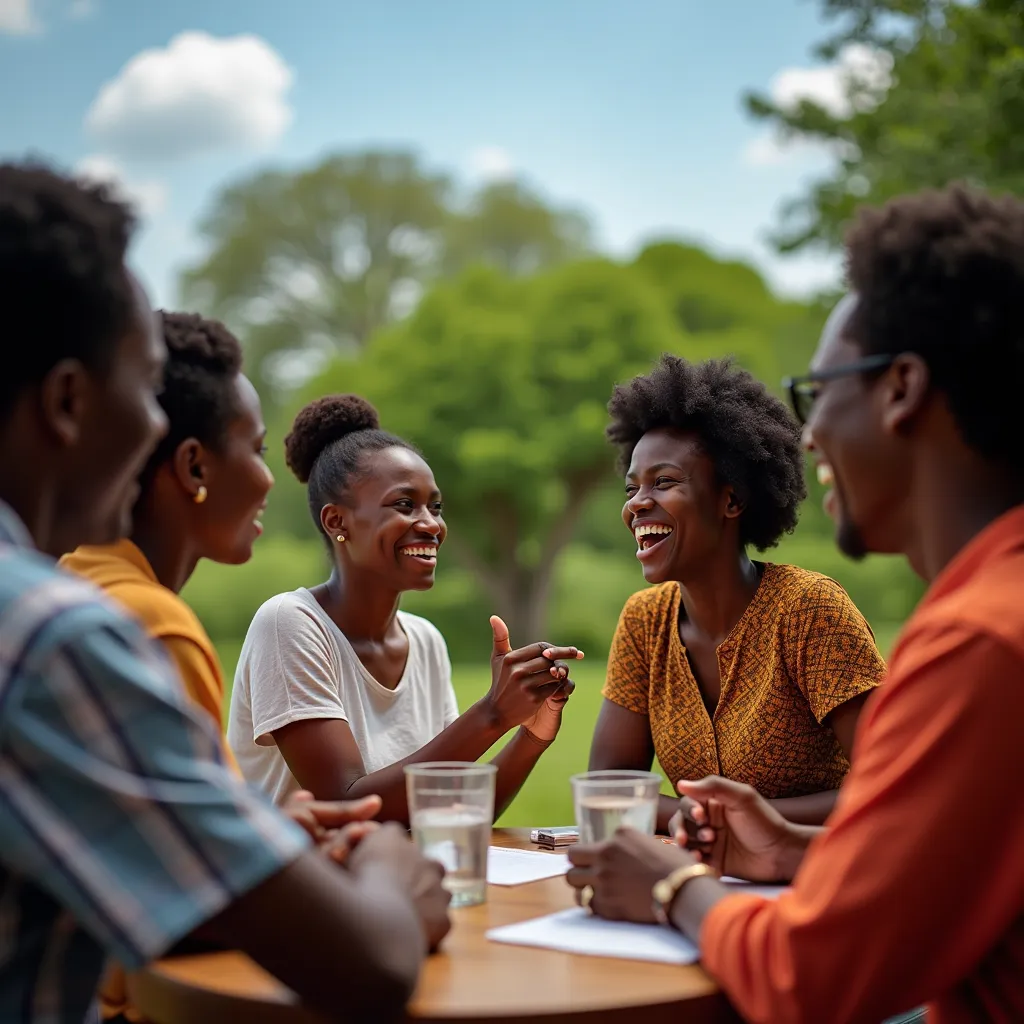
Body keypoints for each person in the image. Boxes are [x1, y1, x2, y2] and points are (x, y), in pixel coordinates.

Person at [0, 160, 450, 1024]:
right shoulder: (56, 636)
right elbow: (368, 966)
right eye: (141, 389)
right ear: (66, 403)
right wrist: (388, 875)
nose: (152, 429)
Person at [565, 185, 1024, 1023]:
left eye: (819, 393)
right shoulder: (993, 608)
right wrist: (787, 850)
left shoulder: (983, 641)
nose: (809, 434)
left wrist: (673, 885)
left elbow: (814, 979)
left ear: (901, 390)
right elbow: (926, 879)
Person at [228, 394, 583, 823]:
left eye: (435, 507)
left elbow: (451, 807)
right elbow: (347, 805)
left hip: (392, 880)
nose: (432, 525)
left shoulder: (425, 640)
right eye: (403, 505)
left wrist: (530, 733)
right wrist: (492, 712)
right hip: (299, 887)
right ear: (337, 522)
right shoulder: (290, 623)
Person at [589, 354, 885, 832]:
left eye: (663, 482)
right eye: (631, 489)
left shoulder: (809, 609)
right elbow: (607, 785)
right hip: (701, 883)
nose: (638, 504)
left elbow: (888, 782)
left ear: (731, 499)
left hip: (812, 883)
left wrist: (733, 822)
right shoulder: (645, 621)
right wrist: (709, 819)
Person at [61, 311, 271, 776]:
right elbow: (218, 847)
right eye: (258, 451)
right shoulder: (155, 624)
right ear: (194, 466)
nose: (268, 480)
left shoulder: (68, 573)